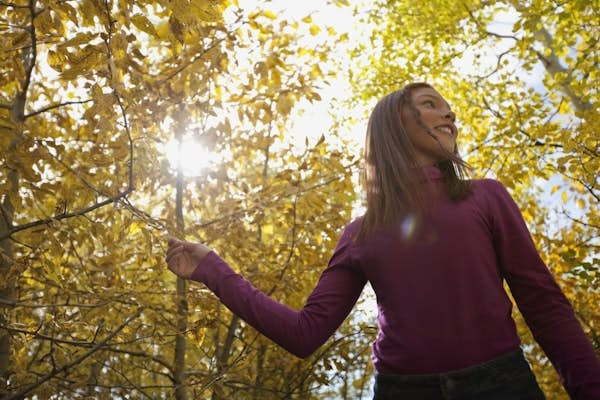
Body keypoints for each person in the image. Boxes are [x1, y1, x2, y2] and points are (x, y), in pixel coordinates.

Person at [166, 83, 600, 399]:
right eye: (432, 105)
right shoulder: (359, 233)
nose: (450, 116)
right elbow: (303, 334)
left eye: (450, 109)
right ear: (394, 123)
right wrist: (213, 269)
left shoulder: (484, 196)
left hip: (501, 386)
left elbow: (542, 303)